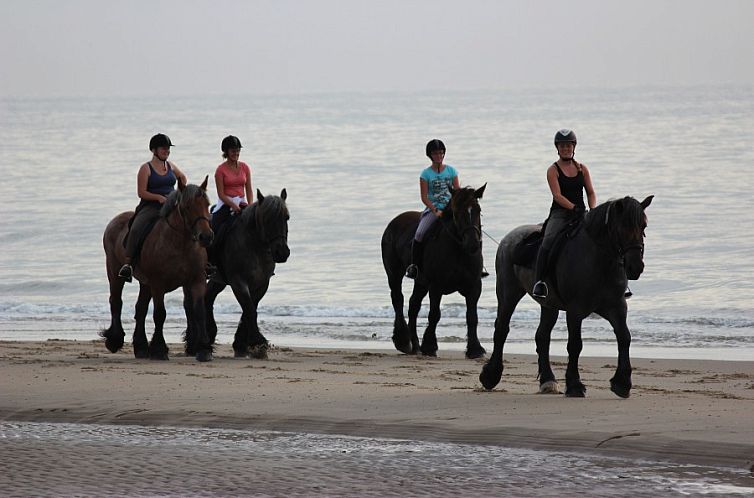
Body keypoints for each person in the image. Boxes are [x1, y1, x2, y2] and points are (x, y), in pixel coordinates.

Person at [531, 129, 596, 298]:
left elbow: (590, 192)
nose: (566, 149)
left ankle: (617, 283)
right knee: (548, 240)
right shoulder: (553, 170)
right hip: (560, 213)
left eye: (568, 145)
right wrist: (573, 207)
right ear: (557, 148)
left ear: (574, 147)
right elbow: (557, 195)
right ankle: (540, 282)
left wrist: (593, 209)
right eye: (562, 146)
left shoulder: (583, 169)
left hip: (581, 212)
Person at [118, 133, 188, 282]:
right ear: (154, 150)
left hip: (171, 204)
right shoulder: (146, 168)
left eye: (168, 148)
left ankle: (202, 261)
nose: (167, 151)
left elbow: (182, 177)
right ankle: (128, 264)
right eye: (164, 148)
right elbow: (141, 192)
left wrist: (180, 192)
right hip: (151, 206)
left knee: (191, 222)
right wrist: (158, 197)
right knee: (136, 227)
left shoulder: (170, 166)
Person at [405, 139, 460, 279]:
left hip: (451, 209)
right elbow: (424, 197)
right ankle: (414, 266)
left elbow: (457, 192)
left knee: (470, 229)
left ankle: (478, 266)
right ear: (430, 155)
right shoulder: (426, 174)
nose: (439, 156)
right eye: (436, 153)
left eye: (441, 153)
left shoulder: (452, 171)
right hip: (434, 210)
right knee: (419, 234)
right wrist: (435, 210)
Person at [210, 135, 253, 234]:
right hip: (226, 203)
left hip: (242, 202)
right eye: (233, 151)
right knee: (216, 226)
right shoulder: (220, 170)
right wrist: (233, 205)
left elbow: (249, 189)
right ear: (226, 152)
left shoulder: (245, 167)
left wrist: (250, 206)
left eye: (238, 151)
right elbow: (221, 194)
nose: (236, 153)